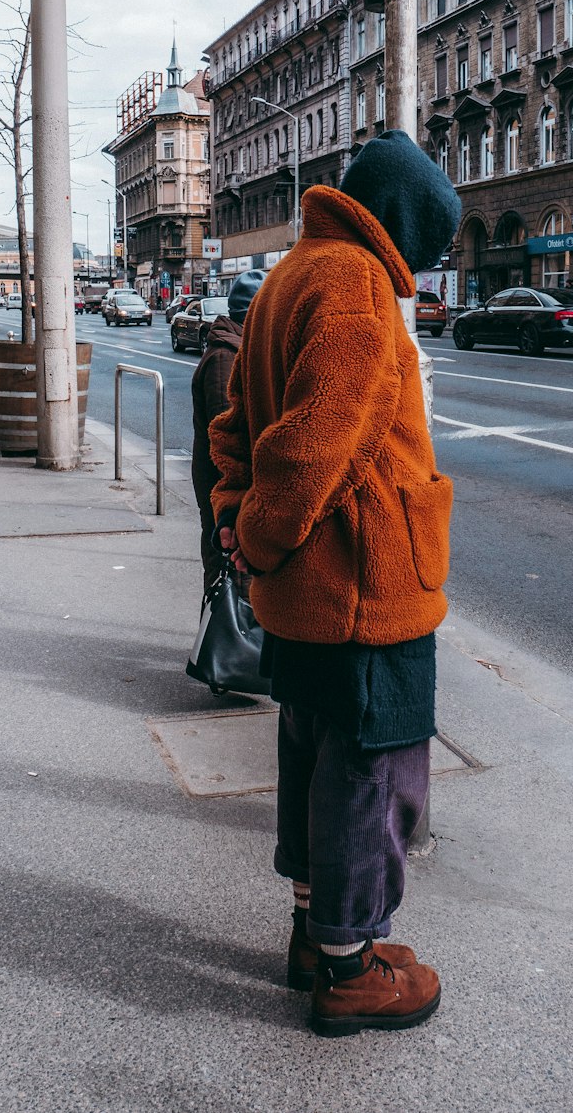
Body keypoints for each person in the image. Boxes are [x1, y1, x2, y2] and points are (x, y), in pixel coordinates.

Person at [209, 130, 461, 1037]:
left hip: (311, 596)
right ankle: (351, 968)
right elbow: (323, 445)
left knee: (314, 754)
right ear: (401, 230)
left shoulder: (291, 270)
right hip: (365, 585)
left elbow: (237, 423)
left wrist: (239, 519)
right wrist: (265, 532)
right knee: (372, 771)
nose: (420, 281)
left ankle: (316, 935)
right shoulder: (356, 284)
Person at [191, 270, 266, 593]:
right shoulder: (225, 357)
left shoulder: (241, 349)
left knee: (235, 574)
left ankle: (232, 639)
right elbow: (227, 437)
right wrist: (232, 503)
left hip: (229, 486)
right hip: (222, 487)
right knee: (228, 577)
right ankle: (223, 642)